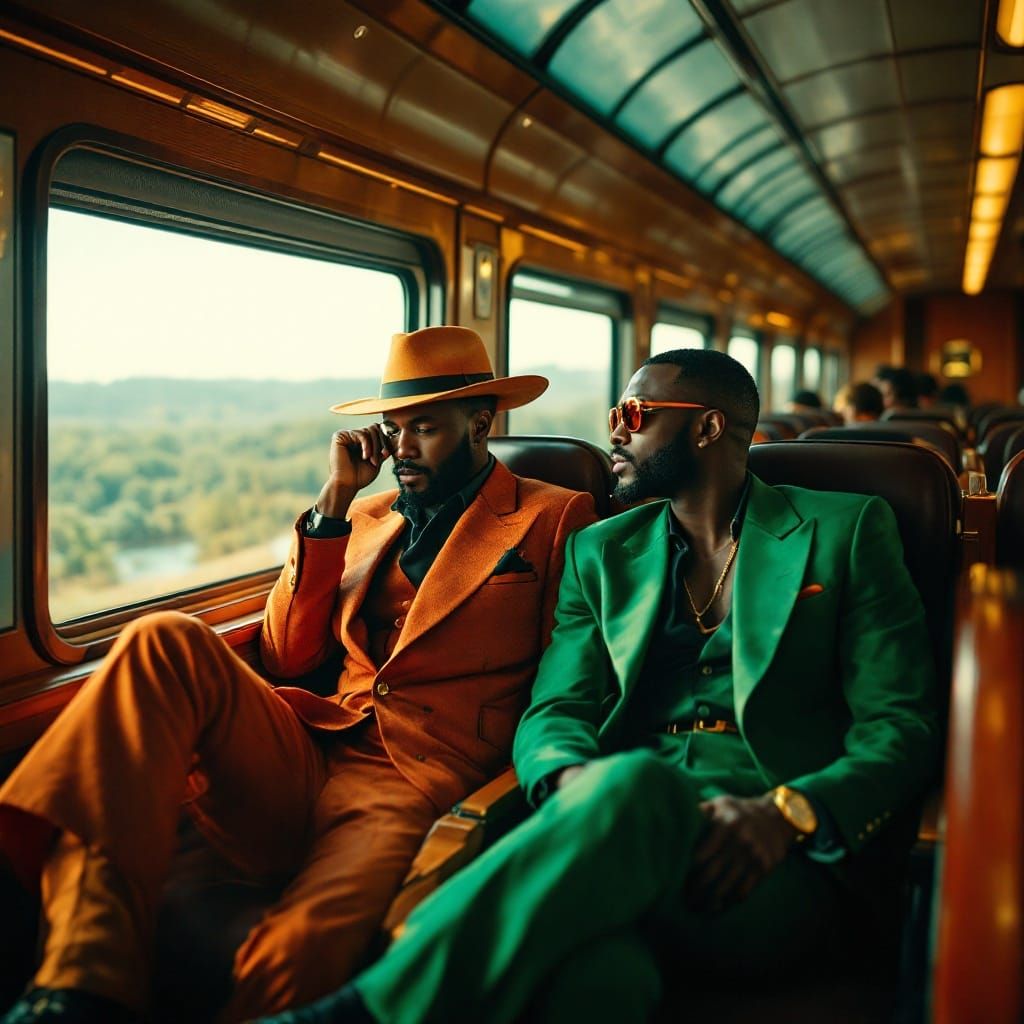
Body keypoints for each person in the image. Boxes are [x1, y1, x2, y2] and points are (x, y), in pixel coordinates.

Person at [260, 348, 940, 1024]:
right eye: (616, 412)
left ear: (706, 428)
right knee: (598, 981)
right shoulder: (603, 550)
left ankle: (358, 1014)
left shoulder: (846, 530)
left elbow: (900, 728)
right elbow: (557, 710)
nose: (614, 429)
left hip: (775, 856)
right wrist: (569, 783)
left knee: (632, 788)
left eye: (635, 413)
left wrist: (790, 811)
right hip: (611, 824)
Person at [0, 326, 596, 1023]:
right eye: (394, 429)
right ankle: (76, 993)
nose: (402, 450)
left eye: (424, 429)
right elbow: (286, 656)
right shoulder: (360, 516)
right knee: (162, 637)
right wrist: (334, 504)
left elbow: (566, 680)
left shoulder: (554, 516)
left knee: (305, 948)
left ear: (481, 423)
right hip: (309, 746)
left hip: (413, 782)